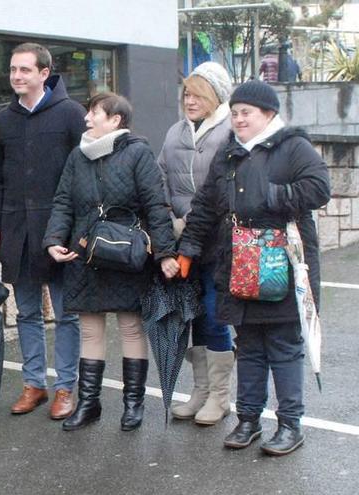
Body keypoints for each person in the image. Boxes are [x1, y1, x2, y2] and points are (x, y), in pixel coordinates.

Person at [178, 80, 331, 455]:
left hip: (283, 264)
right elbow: (205, 205)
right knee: (247, 347)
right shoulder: (230, 154)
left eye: (247, 113)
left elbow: (318, 189)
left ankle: (290, 425)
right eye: (235, 113)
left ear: (269, 114)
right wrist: (188, 249)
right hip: (239, 265)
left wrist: (273, 195)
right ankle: (248, 419)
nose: (239, 119)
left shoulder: (293, 147)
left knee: (283, 346)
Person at [43, 93, 179, 432]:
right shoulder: (77, 156)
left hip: (127, 254)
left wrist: (164, 254)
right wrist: (53, 241)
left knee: (132, 327)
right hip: (84, 253)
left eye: (94, 113)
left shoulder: (138, 152)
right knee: (90, 329)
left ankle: (133, 405)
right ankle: (90, 404)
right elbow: (63, 202)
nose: (87, 119)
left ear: (116, 120)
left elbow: (155, 206)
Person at [0, 43, 86, 419]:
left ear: (44, 73)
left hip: (59, 233)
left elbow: (84, 177)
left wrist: (78, 230)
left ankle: (65, 388)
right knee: (26, 313)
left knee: (66, 314)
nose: (16, 76)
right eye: (13, 70)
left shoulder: (72, 114)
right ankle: (33, 384)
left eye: (25, 70)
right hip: (16, 232)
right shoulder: (3, 121)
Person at [158, 61, 235, 426]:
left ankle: (220, 396)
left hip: (218, 240)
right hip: (179, 239)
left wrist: (190, 220)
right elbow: (159, 177)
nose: (190, 101)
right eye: (186, 94)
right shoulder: (175, 133)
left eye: (197, 94)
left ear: (216, 96)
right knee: (195, 317)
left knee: (215, 312)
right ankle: (201, 391)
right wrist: (167, 220)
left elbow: (226, 188)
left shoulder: (230, 131)